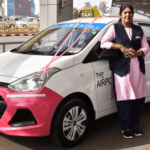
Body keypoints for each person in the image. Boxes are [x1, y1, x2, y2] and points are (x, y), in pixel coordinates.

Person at [101, 4, 150, 138]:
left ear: (133, 14)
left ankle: (136, 124)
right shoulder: (115, 28)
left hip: (138, 70)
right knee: (124, 98)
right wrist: (120, 46)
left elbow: (146, 47)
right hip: (121, 70)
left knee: (139, 98)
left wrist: (138, 52)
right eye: (125, 12)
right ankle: (126, 127)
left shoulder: (139, 30)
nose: (128, 15)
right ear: (120, 14)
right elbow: (103, 43)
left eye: (130, 12)